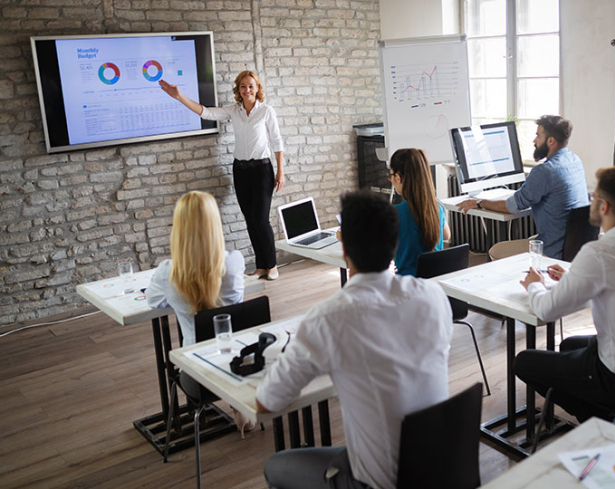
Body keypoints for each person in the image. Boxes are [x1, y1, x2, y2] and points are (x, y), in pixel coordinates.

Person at [257, 190, 453, 489]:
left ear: (344, 248)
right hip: (438, 466)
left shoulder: (330, 317)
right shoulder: (433, 296)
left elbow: (267, 402)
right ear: (395, 243)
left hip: (380, 480)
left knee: (275, 466)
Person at [514, 166, 615, 422]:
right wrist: (573, 279)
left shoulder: (600, 252)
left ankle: (602, 421)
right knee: (568, 345)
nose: (590, 200)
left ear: (604, 207)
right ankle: (602, 418)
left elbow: (545, 310)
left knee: (523, 361)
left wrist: (534, 284)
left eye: (593, 196)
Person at [159, 70, 284, 280]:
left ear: (258, 88)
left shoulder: (266, 111)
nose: (247, 90)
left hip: (262, 170)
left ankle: (272, 265)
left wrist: (281, 171)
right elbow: (206, 113)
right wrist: (179, 96)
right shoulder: (234, 111)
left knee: (261, 220)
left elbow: (277, 141)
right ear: (238, 89)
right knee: (250, 220)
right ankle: (261, 266)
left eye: (251, 86)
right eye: (243, 86)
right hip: (240, 171)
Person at [457, 115, 588, 259]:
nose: (534, 140)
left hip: (552, 249)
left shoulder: (544, 171)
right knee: (531, 238)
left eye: (538, 135)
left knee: (494, 251)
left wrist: (479, 202)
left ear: (551, 141)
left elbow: (510, 206)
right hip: (574, 245)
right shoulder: (574, 161)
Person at [146, 191, 245, 347]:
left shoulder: (167, 272)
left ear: (179, 227)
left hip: (194, 360)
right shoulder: (234, 261)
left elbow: (153, 302)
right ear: (215, 223)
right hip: (235, 353)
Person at [389, 148, 451, 276]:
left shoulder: (395, 214)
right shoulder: (437, 205)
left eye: (390, 176)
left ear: (398, 177)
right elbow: (446, 236)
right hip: (435, 285)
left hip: (407, 287)